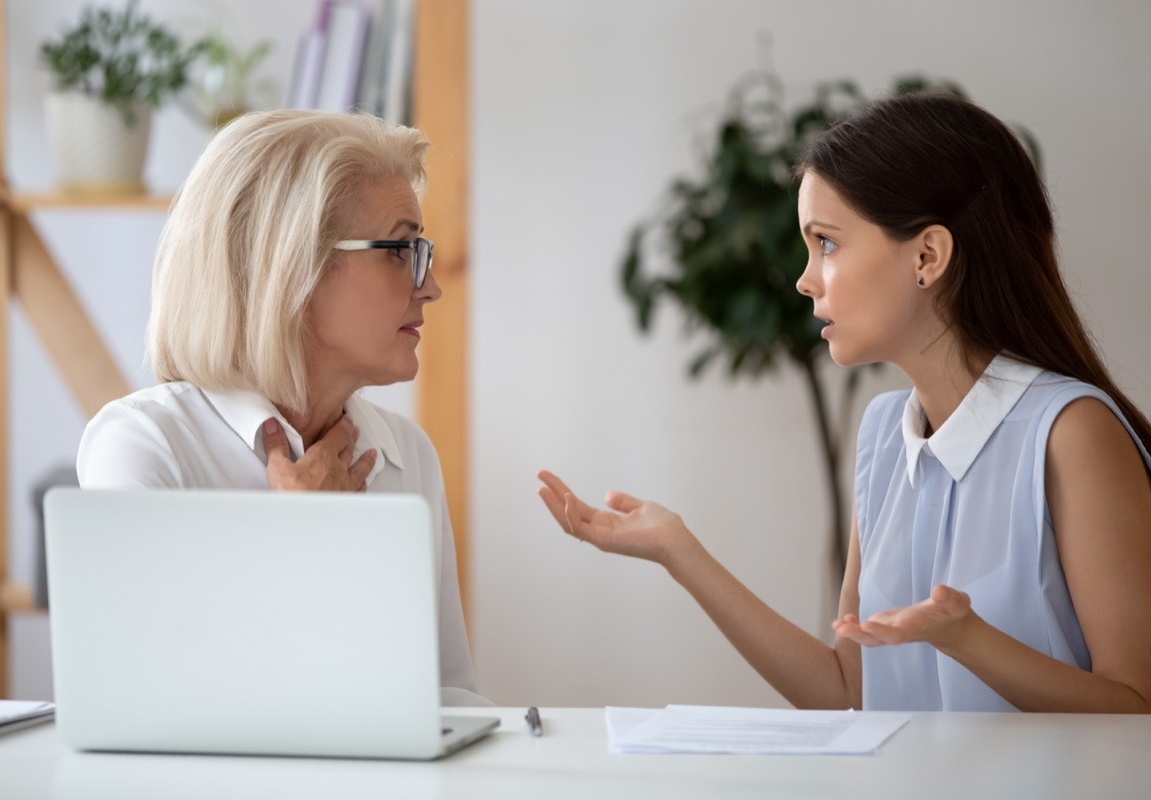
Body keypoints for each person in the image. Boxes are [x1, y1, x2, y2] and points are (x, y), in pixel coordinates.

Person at [538, 93, 1151, 713]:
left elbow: (1135, 708)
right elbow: (847, 691)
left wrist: (969, 641)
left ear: (927, 256)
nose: (805, 278)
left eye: (826, 243)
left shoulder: (1072, 433)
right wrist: (679, 551)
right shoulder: (884, 434)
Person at [77, 110, 484, 702]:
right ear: (292, 268)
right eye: (399, 249)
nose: (431, 285)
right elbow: (136, 707)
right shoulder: (144, 449)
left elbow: (449, 703)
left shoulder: (406, 457)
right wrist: (296, 540)